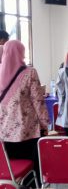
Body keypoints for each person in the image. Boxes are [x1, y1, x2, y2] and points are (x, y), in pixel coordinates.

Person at [0, 40, 49, 187]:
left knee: (10, 173)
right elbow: (38, 102)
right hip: (28, 133)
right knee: (32, 172)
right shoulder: (30, 73)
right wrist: (45, 125)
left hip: (4, 135)